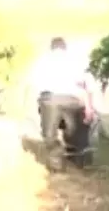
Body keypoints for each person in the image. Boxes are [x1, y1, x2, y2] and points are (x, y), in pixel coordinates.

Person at [29, 37, 97, 170]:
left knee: (50, 134)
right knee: (77, 130)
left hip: (49, 100)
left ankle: (56, 164)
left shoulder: (42, 60)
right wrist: (89, 108)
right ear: (64, 48)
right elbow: (86, 86)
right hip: (73, 100)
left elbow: (33, 85)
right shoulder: (75, 60)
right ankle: (81, 161)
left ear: (52, 48)